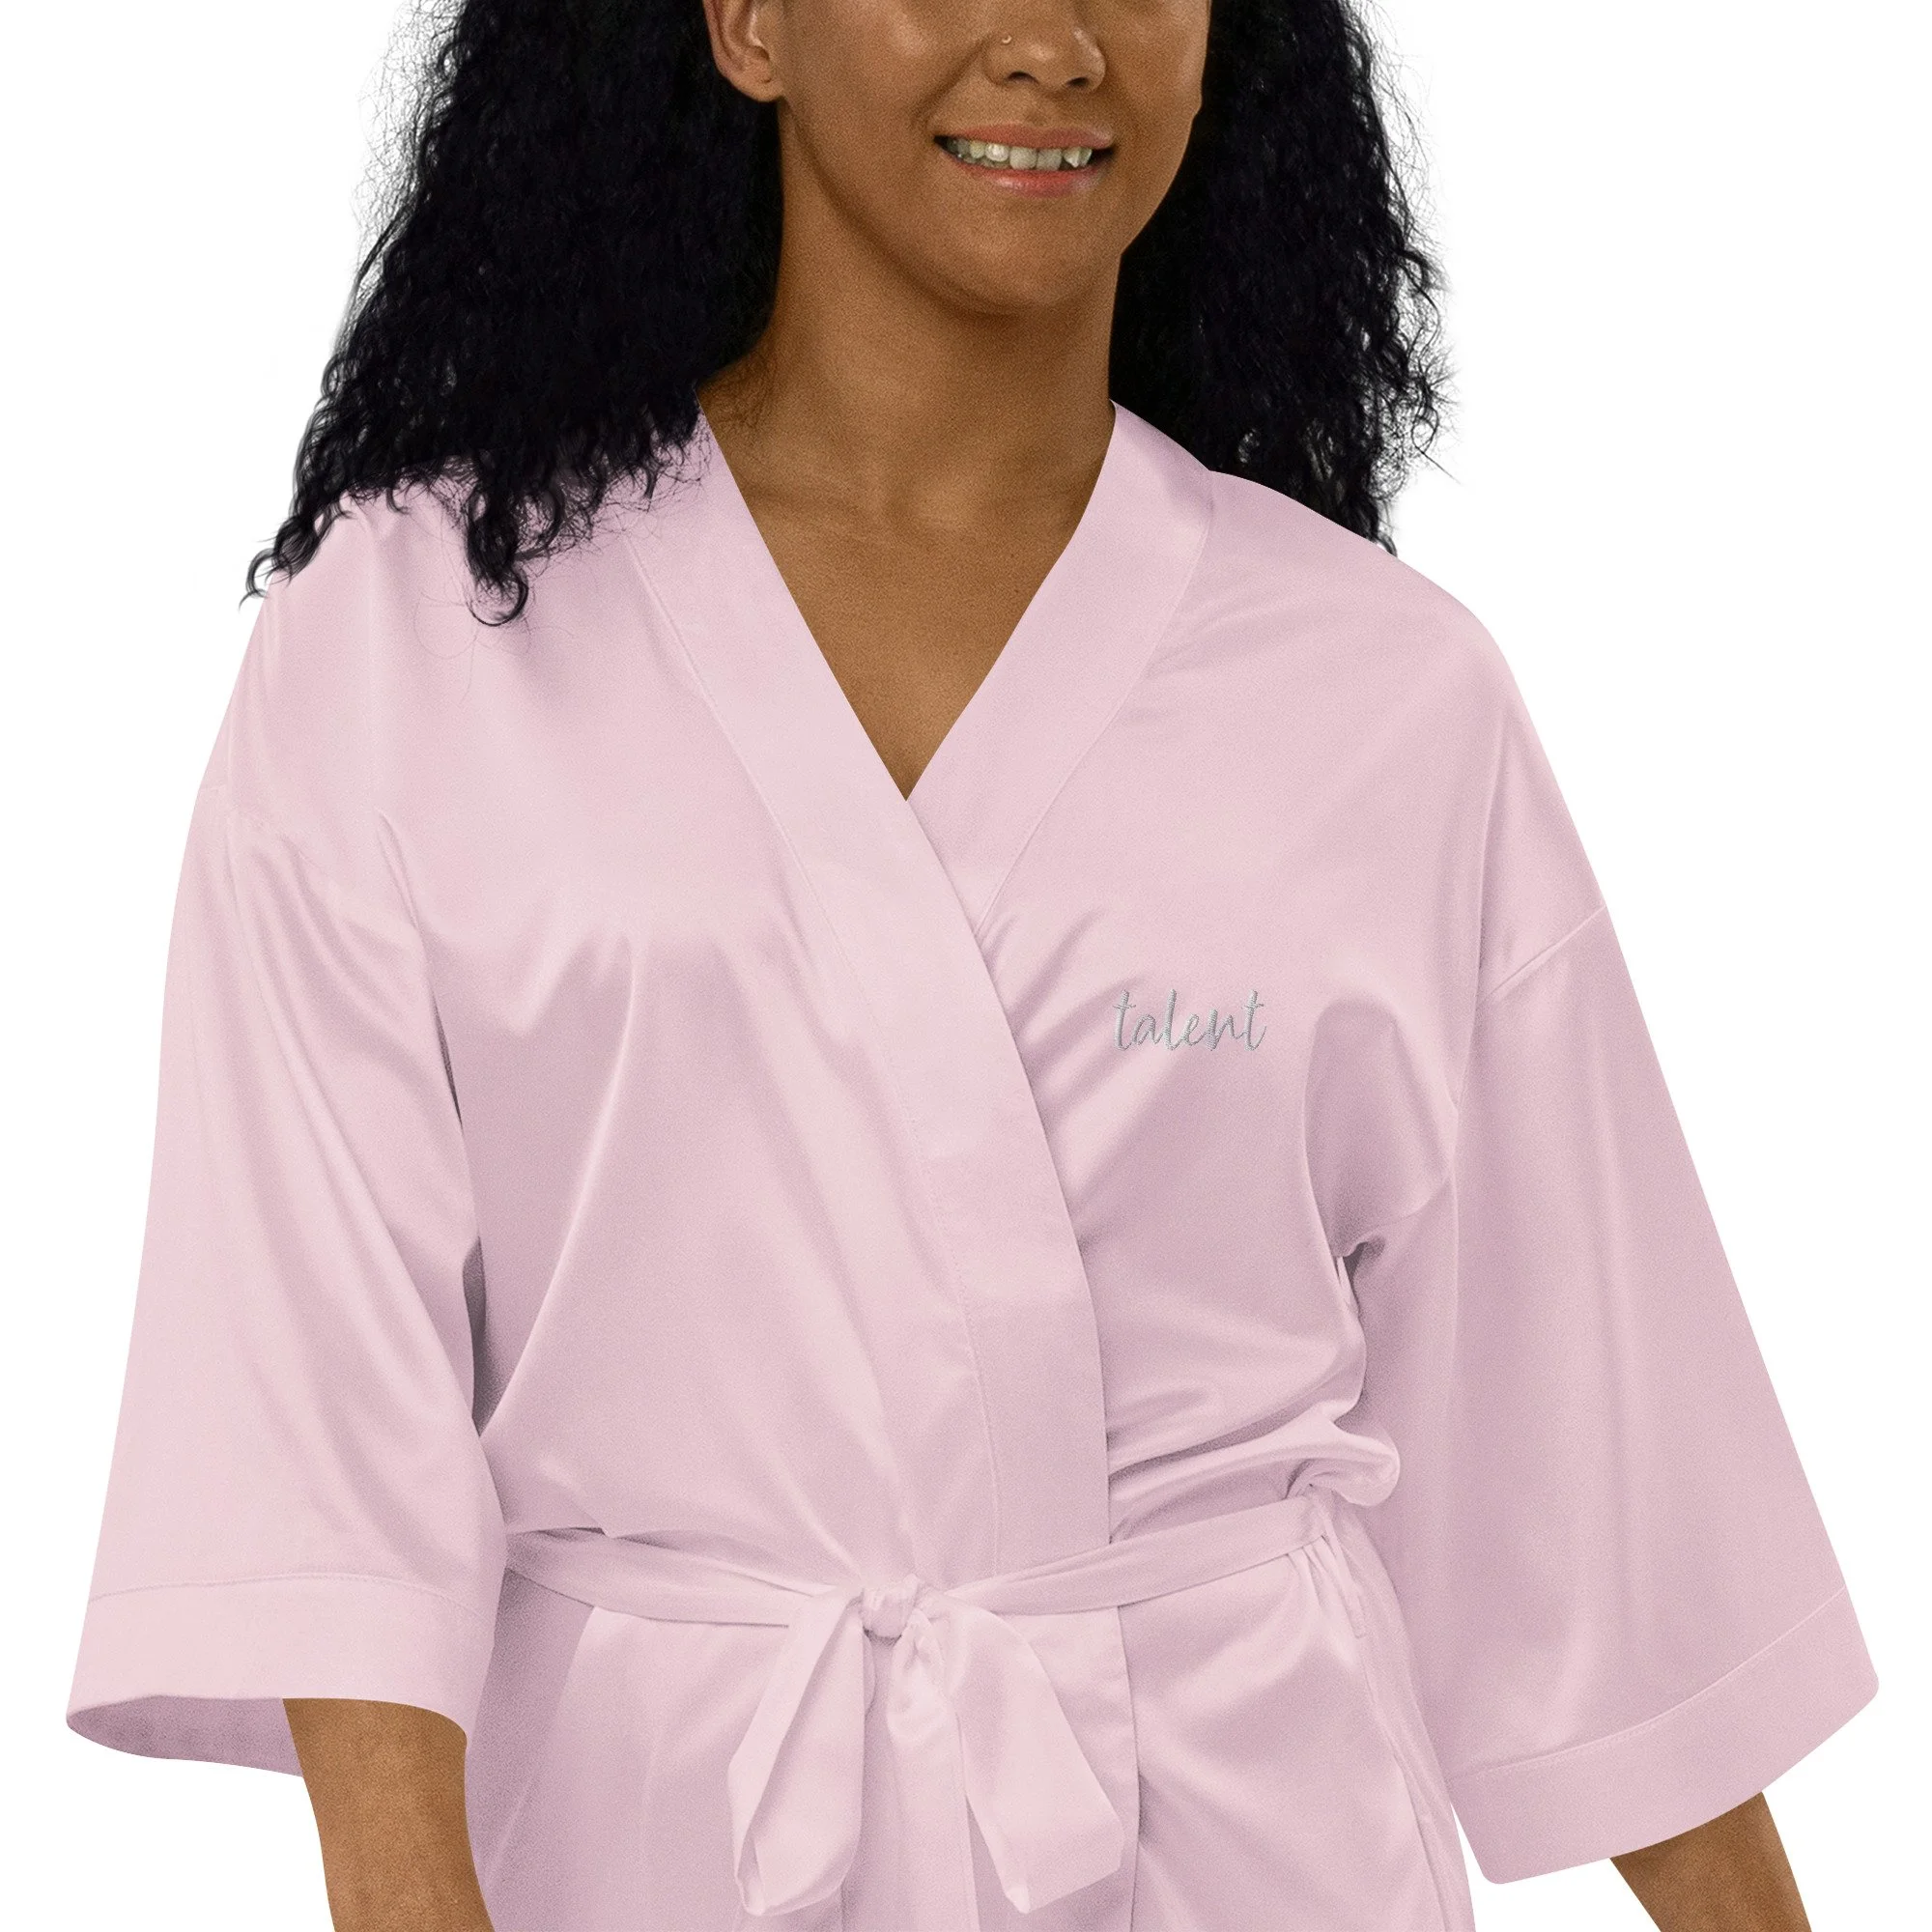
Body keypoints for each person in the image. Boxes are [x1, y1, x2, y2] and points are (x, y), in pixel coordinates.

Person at [65, 0, 1877, 1927]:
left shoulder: (1388, 691)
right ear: (747, 24)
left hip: (1256, 1849)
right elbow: (323, 1415)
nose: (1056, 42)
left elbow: (1579, 1451)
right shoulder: (407, 641)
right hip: (644, 1847)